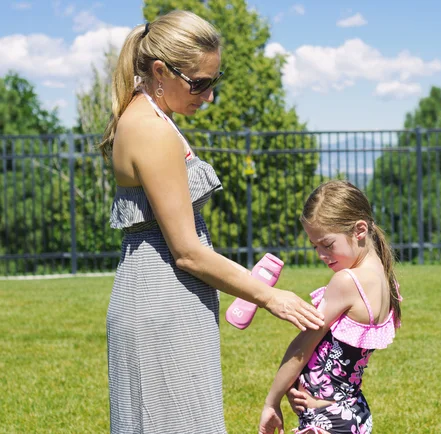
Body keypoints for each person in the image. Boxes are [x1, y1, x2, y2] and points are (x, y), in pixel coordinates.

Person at [101, 10, 324, 434]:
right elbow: (187, 253)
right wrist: (269, 297)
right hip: (161, 306)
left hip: (156, 302)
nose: (209, 96)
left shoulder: (143, 115)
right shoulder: (152, 129)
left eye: (213, 82)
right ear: (161, 71)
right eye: (199, 83)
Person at [258, 180, 403, 434]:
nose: (321, 254)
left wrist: (272, 400)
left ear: (359, 230)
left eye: (327, 244)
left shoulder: (348, 281)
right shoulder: (385, 277)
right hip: (351, 412)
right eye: (315, 246)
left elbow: (303, 346)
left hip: (327, 420)